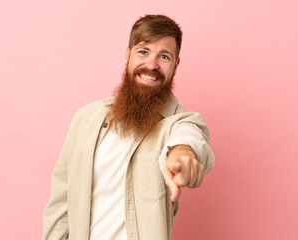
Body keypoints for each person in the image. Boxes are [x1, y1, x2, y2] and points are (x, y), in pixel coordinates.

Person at [42, 14, 215, 240]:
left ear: (176, 64)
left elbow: (190, 137)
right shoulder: (85, 119)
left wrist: (183, 154)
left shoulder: (179, 122)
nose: (151, 65)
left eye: (164, 56)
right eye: (143, 52)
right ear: (127, 55)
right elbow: (61, 202)